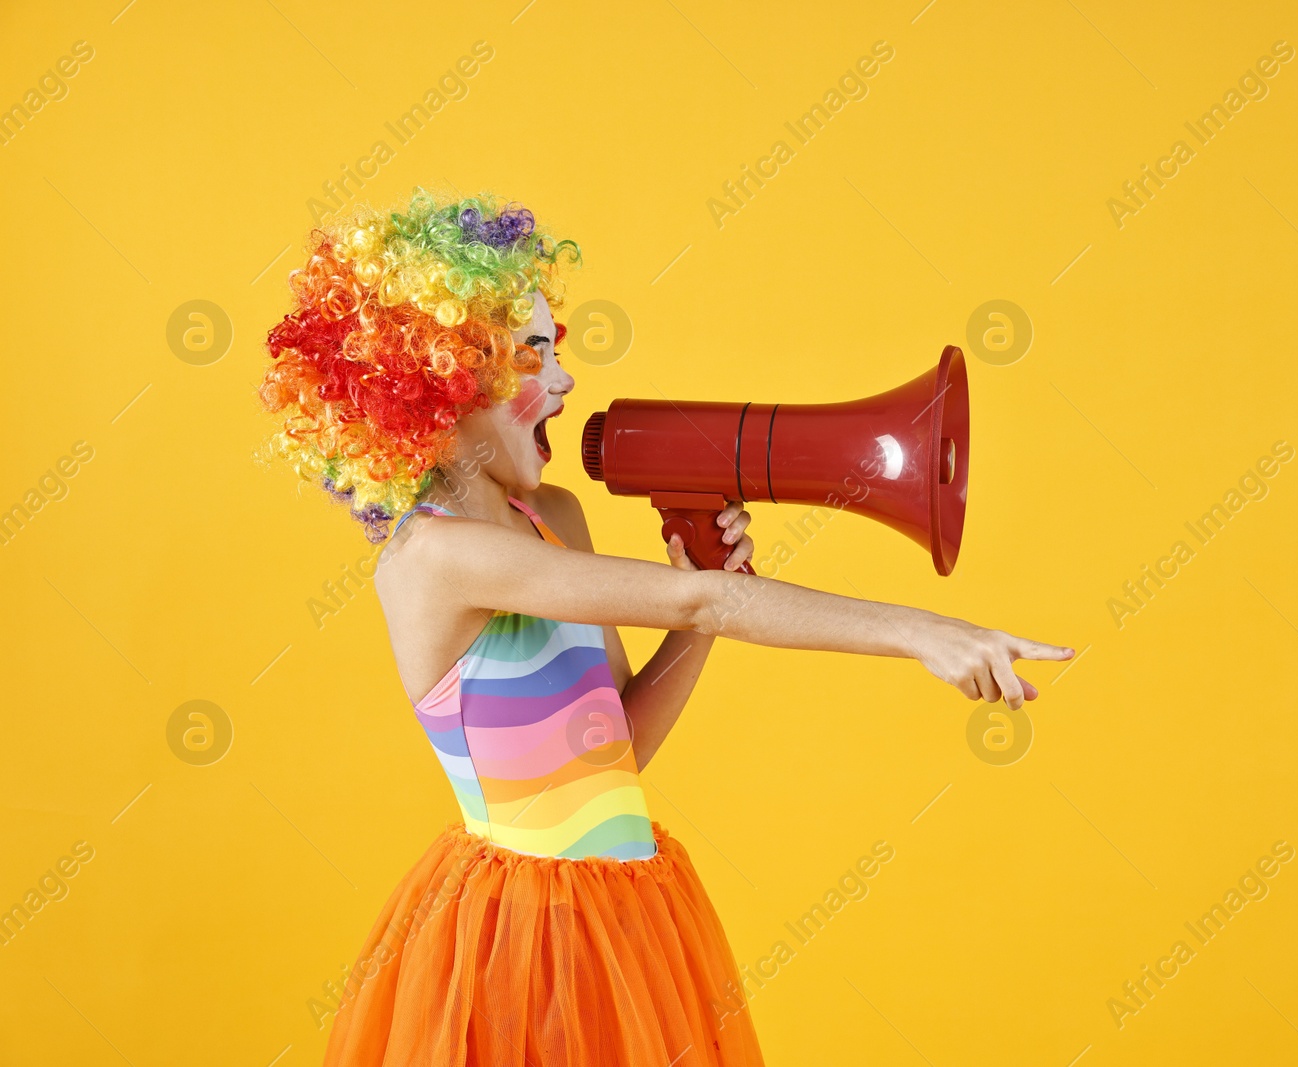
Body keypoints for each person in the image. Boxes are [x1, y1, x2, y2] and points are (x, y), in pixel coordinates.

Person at [260, 188, 1071, 1066]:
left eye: (553, 347)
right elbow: (696, 601)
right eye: (531, 352)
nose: (564, 377)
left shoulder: (556, 517)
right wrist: (920, 632)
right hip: (519, 939)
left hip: (624, 912)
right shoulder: (434, 558)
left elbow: (621, 742)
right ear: (442, 382)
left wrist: (707, 590)